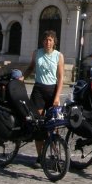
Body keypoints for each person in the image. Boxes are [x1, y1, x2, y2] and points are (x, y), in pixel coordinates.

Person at [23, 30, 65, 167]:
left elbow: (60, 77)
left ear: (54, 42)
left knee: (54, 125)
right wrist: (22, 77)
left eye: (51, 40)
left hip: (52, 91)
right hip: (39, 91)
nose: (48, 42)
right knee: (39, 124)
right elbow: (30, 67)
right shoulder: (37, 53)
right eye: (46, 40)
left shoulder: (59, 56)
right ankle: (40, 156)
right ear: (43, 41)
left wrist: (57, 96)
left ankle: (56, 154)